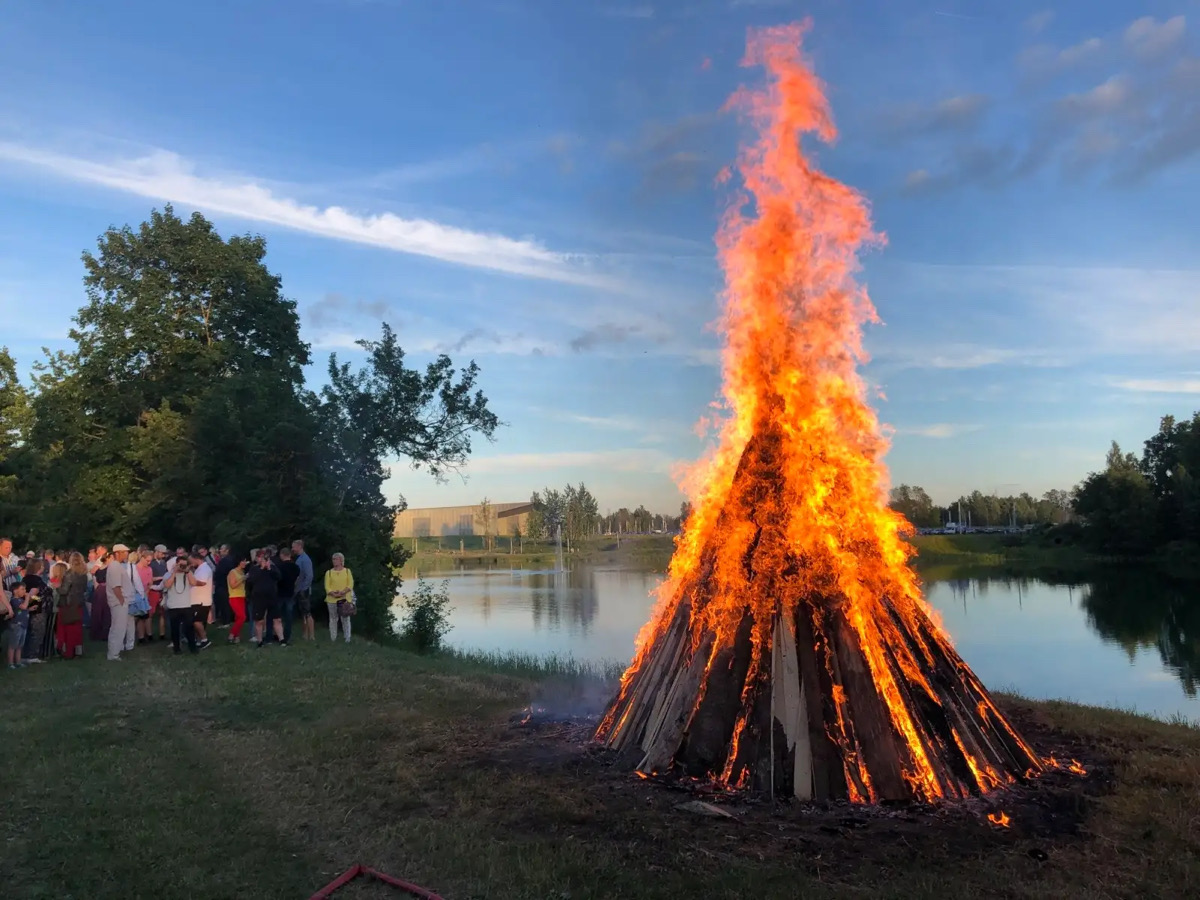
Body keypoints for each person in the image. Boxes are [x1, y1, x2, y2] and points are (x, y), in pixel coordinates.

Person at [247, 550, 285, 647]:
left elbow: (279, 577)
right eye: (260, 557)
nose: (262, 559)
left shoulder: (272, 568)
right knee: (259, 620)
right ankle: (260, 641)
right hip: (259, 597)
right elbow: (251, 581)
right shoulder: (254, 569)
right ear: (257, 558)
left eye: (264, 558)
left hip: (272, 597)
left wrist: (269, 569)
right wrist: (261, 569)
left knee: (277, 619)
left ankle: (282, 640)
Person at [105, 544, 136, 661]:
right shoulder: (114, 566)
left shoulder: (117, 566)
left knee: (119, 627)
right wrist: (121, 600)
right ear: (117, 553)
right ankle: (113, 654)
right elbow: (116, 586)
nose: (127, 554)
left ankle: (115, 651)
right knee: (118, 628)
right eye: (124, 552)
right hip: (118, 602)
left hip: (120, 601)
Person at [162, 555, 198, 655]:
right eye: (180, 565)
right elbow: (167, 585)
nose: (182, 567)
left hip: (186, 605)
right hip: (173, 606)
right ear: (176, 564)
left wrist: (187, 571)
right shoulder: (168, 574)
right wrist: (174, 572)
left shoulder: (188, 573)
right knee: (175, 629)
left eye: (184, 565)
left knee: (189, 628)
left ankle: (193, 648)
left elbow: (194, 582)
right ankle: (177, 648)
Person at [56, 553, 87, 659]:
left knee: (66, 629)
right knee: (77, 629)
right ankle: (78, 651)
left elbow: (64, 590)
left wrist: (57, 587)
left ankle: (67, 651)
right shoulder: (83, 574)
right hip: (78, 603)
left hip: (68, 604)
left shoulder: (69, 573)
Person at [21, 558, 48, 663]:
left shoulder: (25, 578)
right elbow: (32, 594)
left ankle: (25, 653)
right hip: (37, 609)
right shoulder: (36, 580)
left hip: (29, 609)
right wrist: (39, 599)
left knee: (28, 632)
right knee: (37, 632)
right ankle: (32, 655)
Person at [324, 552, 354, 644]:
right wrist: (332, 593)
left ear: (341, 560)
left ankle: (347, 638)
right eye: (333, 559)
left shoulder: (347, 571)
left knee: (345, 618)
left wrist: (343, 592)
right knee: (333, 618)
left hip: (344, 599)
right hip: (332, 599)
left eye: (336, 559)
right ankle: (333, 638)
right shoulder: (329, 573)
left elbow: (350, 584)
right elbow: (327, 586)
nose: (334, 561)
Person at [187, 551, 214, 650]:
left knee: (196, 621)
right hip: (196, 600)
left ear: (196, 558)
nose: (191, 563)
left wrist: (189, 575)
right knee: (196, 621)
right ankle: (199, 640)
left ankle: (204, 639)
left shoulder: (205, 569)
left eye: (191, 561)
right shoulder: (199, 569)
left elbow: (202, 582)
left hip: (201, 600)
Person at [276, 546, 300, 644]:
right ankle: (287, 636)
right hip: (290, 593)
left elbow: (277, 579)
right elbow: (297, 580)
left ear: (282, 555)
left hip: (280, 593)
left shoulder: (279, 566)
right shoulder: (296, 567)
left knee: (277, 616)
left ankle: (279, 636)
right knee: (289, 616)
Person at [292, 539, 315, 641]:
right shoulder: (299, 559)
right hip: (299, 589)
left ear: (299, 546)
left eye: (294, 547)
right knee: (303, 613)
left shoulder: (305, 559)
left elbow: (309, 576)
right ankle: (305, 634)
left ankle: (312, 635)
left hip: (303, 590)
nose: (292, 549)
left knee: (307, 612)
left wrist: (304, 588)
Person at [4, 582, 28, 669]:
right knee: (13, 645)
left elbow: (24, 609)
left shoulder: (21, 600)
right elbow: (23, 607)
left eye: (25, 589)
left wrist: (30, 609)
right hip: (16, 625)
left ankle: (18, 661)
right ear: (15, 591)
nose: (24, 591)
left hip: (23, 625)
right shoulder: (14, 600)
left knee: (20, 645)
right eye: (22, 589)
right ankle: (10, 662)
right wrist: (28, 598)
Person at [226, 553, 248, 644]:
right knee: (242, 617)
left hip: (242, 596)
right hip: (234, 597)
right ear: (238, 562)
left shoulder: (242, 572)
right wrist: (243, 579)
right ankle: (231, 634)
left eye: (245, 561)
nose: (245, 563)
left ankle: (237, 636)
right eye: (243, 561)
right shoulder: (233, 572)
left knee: (238, 617)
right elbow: (233, 585)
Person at [148, 545, 169, 641]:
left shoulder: (164, 563)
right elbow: (149, 578)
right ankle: (149, 634)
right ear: (156, 552)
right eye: (162, 553)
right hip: (153, 590)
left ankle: (162, 634)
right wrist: (161, 578)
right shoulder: (151, 563)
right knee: (150, 613)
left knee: (162, 613)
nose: (163, 555)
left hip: (162, 590)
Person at [135, 549, 155, 644]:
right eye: (147, 560)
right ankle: (140, 637)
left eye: (150, 560)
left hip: (145, 594)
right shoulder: (135, 569)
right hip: (136, 594)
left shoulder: (149, 569)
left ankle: (148, 635)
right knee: (139, 616)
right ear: (142, 558)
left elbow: (150, 582)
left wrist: (146, 592)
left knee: (146, 616)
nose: (149, 562)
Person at [213, 543, 235, 628]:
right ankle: (226, 620)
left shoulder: (225, 561)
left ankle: (226, 621)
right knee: (224, 603)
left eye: (222, 549)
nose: (220, 550)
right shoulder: (230, 560)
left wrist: (215, 577)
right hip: (226, 584)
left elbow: (219, 573)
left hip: (222, 584)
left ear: (227, 550)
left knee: (224, 603)